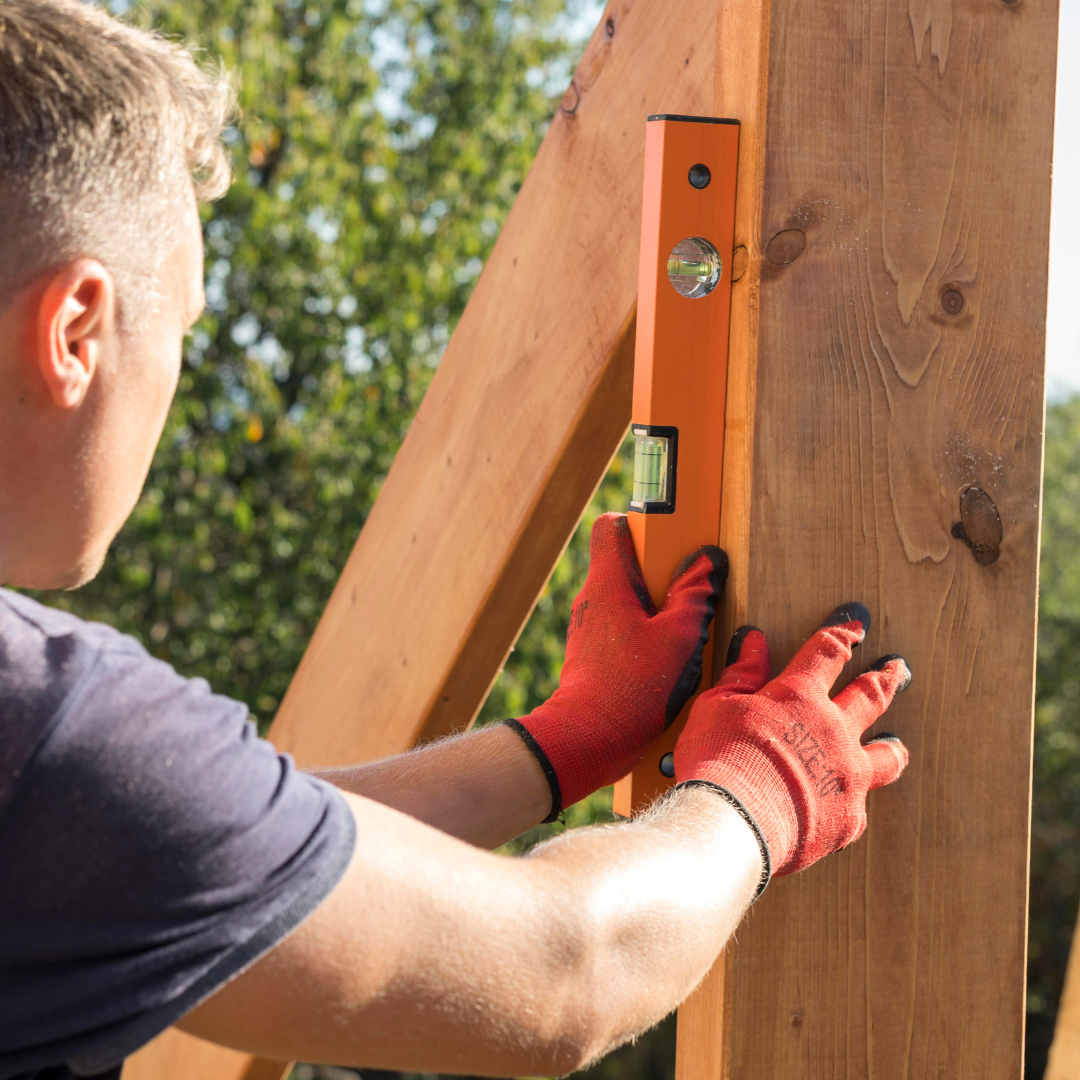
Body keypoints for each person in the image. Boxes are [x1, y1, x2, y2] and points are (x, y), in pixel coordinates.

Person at [0, 3, 913, 1078]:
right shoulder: (47, 737)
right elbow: (566, 972)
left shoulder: (51, 771)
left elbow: (213, 843)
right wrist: (766, 788)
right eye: (185, 327)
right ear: (74, 331)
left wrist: (563, 741)